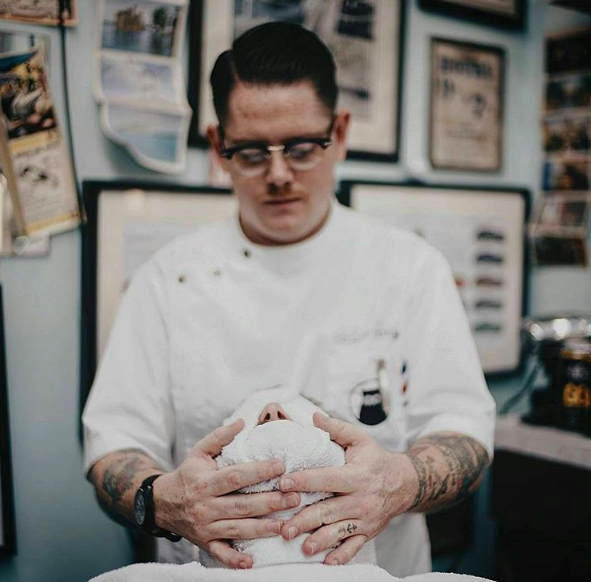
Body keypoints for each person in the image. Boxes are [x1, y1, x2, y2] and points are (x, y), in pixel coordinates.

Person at [82, 22, 495, 577]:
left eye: (302, 148)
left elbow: (462, 428)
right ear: (218, 148)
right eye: (251, 153)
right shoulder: (167, 278)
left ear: (340, 132)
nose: (279, 175)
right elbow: (115, 445)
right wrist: (163, 500)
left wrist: (401, 483)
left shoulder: (409, 268)